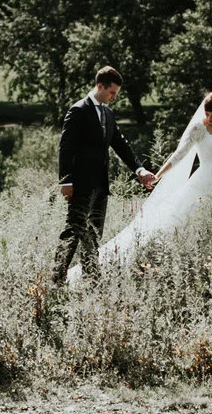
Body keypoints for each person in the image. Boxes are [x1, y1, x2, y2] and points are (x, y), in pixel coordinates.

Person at [93, 89, 212, 276]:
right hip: (205, 181)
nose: (210, 118)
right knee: (195, 222)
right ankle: (187, 265)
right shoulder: (199, 128)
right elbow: (179, 155)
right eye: (207, 114)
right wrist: (158, 175)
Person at [55, 66, 156, 281]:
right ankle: (56, 279)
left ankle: (92, 279)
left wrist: (140, 169)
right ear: (100, 86)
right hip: (80, 184)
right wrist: (66, 180)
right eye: (112, 92)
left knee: (94, 233)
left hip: (101, 185)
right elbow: (66, 147)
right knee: (73, 231)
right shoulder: (78, 110)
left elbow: (120, 144)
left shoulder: (108, 113)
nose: (114, 97)